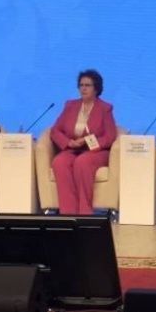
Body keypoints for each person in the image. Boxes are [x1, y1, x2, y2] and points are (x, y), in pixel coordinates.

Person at [50, 69, 118, 214]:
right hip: (73, 148)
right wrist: (69, 142)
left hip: (96, 151)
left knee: (82, 162)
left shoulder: (105, 108)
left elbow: (110, 136)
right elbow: (55, 130)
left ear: (96, 88)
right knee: (59, 162)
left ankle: (84, 212)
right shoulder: (70, 106)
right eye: (81, 85)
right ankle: (68, 212)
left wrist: (86, 141)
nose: (83, 88)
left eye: (88, 85)